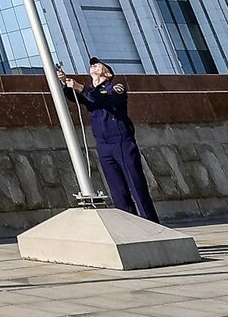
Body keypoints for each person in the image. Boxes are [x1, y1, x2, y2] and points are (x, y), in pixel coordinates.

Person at [57, 57, 160, 223]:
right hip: (104, 145)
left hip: (121, 142)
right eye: (92, 64)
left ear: (107, 73)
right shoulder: (90, 91)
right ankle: (129, 226)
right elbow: (77, 98)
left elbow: (103, 100)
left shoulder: (115, 88)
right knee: (117, 190)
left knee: (136, 186)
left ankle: (152, 224)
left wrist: (79, 87)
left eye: (97, 65)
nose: (93, 66)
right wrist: (66, 84)